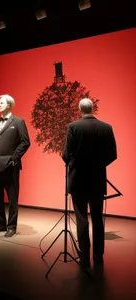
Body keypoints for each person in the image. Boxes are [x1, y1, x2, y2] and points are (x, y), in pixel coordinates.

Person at [62, 98, 117, 268]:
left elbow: (65, 154)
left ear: (80, 109)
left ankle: (84, 255)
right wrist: (98, 165)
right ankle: (99, 256)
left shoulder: (73, 127)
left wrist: (74, 163)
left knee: (81, 219)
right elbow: (112, 154)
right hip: (97, 179)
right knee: (98, 219)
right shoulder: (106, 127)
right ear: (92, 109)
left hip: (78, 179)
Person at [0, 94, 30, 237]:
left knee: (12, 198)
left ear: (9, 105)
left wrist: (14, 158)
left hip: (10, 166)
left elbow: (25, 142)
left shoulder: (18, 122)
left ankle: (11, 226)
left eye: (2, 103)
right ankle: (0, 223)